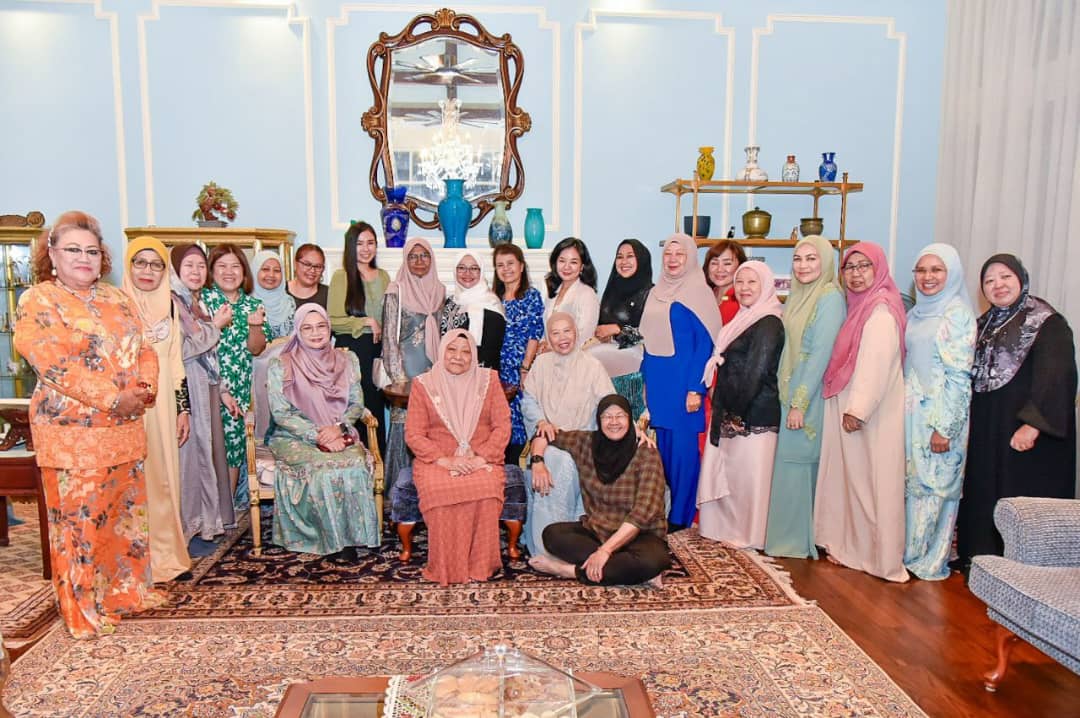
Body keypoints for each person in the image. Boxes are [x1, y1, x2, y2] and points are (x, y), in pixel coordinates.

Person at [14, 210, 164, 638]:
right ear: (52, 254)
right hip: (72, 434)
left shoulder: (118, 298)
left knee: (123, 517)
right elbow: (53, 363)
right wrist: (114, 398)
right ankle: (83, 608)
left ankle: (124, 593)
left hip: (125, 429)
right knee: (78, 524)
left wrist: (143, 389)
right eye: (73, 250)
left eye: (92, 251)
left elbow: (145, 349)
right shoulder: (38, 300)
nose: (84, 258)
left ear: (103, 258)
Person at [957, 254, 1077, 565]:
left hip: (1027, 433)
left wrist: (1032, 424)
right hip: (990, 426)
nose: (998, 285)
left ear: (1021, 279)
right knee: (986, 490)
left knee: (1020, 497)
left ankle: (1023, 567)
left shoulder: (1046, 322)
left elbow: (1057, 375)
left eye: (1005, 277)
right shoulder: (984, 325)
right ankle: (983, 560)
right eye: (989, 280)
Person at [814, 242, 909, 582]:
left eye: (864, 266)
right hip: (853, 407)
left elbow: (875, 365)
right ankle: (855, 550)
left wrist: (858, 409)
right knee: (854, 483)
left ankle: (879, 558)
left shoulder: (880, 311)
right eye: (850, 267)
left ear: (879, 269)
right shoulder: (859, 308)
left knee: (872, 486)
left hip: (870, 414)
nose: (856, 274)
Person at [266, 304, 381, 556]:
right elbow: (281, 413)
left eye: (321, 326)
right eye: (307, 328)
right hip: (294, 437)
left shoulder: (347, 360)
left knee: (354, 463)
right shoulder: (281, 365)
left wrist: (338, 429)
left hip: (340, 432)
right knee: (322, 468)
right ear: (298, 331)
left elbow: (356, 404)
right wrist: (318, 435)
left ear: (329, 328)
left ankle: (353, 536)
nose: (316, 333)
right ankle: (329, 539)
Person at [404, 329, 512, 584]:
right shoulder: (423, 385)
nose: (458, 357)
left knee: (486, 487)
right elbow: (414, 434)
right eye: (451, 350)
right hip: (437, 460)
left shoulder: (489, 380)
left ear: (474, 356)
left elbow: (502, 426)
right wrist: (446, 460)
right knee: (440, 489)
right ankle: (447, 567)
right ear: (442, 352)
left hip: (481, 457)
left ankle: (480, 566)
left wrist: (481, 457)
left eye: (466, 352)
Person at [528, 395, 670, 586]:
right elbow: (544, 435)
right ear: (599, 420)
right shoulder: (586, 442)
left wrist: (605, 551)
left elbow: (642, 514)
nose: (614, 422)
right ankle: (623, 569)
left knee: (652, 561)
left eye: (620, 416)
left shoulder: (647, 452)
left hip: (640, 535)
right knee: (552, 535)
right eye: (607, 416)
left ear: (629, 419)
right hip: (599, 531)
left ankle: (571, 571)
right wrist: (537, 462)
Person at [764, 235, 845, 559]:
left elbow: (819, 355)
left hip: (807, 400)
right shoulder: (798, 296)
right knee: (789, 467)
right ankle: (786, 540)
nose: (803, 266)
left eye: (812, 259)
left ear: (826, 262)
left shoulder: (830, 297)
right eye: (798, 259)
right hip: (791, 394)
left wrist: (799, 403)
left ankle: (796, 542)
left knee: (798, 466)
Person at [697, 261, 785, 549]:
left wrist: (735, 411)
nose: (745, 288)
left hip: (754, 413)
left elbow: (757, 372)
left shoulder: (769, 321)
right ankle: (729, 530)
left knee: (749, 480)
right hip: (732, 408)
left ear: (766, 285)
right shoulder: (744, 317)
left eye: (752, 282)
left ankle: (749, 535)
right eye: (741, 282)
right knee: (733, 477)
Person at [902, 243, 976, 580]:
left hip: (939, 416)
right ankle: (911, 555)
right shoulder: (918, 312)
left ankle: (929, 561)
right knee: (915, 487)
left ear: (952, 273)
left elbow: (959, 377)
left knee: (936, 490)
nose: (927, 277)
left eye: (936, 270)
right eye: (921, 270)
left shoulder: (956, 314)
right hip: (913, 415)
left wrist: (944, 428)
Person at [639, 234, 722, 530]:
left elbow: (705, 345)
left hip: (684, 384)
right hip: (658, 380)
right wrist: (645, 382)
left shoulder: (698, 292)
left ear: (691, 258)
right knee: (664, 453)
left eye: (680, 254)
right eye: (668, 254)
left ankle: (680, 518)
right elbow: (648, 340)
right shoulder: (656, 291)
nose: (672, 259)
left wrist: (696, 388)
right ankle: (668, 511)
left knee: (684, 456)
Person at [122, 237, 192, 582]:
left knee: (165, 480)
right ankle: (132, 561)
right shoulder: (116, 307)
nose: (147, 271)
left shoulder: (171, 307)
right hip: (126, 405)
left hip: (162, 406)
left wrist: (183, 410)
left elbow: (176, 362)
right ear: (129, 266)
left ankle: (167, 557)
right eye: (140, 262)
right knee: (132, 481)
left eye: (156, 264)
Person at [521, 313, 615, 557]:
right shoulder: (541, 364)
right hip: (546, 440)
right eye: (555, 333)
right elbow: (528, 401)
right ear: (548, 337)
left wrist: (632, 430)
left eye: (567, 331)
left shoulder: (592, 366)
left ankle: (570, 544)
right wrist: (541, 421)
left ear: (576, 332)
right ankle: (545, 545)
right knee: (556, 460)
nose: (562, 338)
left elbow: (610, 405)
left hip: (582, 441)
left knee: (569, 462)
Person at [169, 243, 236, 550]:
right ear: (176, 270)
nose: (196, 272)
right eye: (189, 266)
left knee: (205, 458)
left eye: (200, 266)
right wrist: (215, 327)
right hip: (186, 391)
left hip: (205, 388)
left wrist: (222, 391)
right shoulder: (171, 303)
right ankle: (186, 530)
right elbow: (179, 351)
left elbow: (209, 355)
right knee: (190, 461)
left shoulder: (194, 303)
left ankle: (204, 526)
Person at [202, 245, 270, 497]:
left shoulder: (254, 304)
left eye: (235, 266)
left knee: (232, 447)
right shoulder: (202, 301)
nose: (229, 272)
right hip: (206, 383)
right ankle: (204, 507)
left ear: (244, 272)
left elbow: (256, 349)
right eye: (222, 266)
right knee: (204, 445)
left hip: (239, 388)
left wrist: (254, 326)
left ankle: (227, 505)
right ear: (211, 271)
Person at [382, 237, 446, 498]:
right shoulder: (395, 290)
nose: (419, 261)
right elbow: (389, 337)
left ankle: (431, 490)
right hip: (405, 369)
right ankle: (400, 493)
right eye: (413, 256)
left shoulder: (440, 291)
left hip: (434, 369)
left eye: (424, 255)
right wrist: (398, 379)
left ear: (432, 259)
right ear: (405, 260)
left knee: (431, 427)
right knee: (406, 425)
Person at [328, 220, 390, 453]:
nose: (366, 249)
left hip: (377, 351)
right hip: (351, 352)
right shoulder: (341, 276)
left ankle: (377, 464)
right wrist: (365, 321)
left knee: (375, 411)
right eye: (360, 243)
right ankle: (352, 461)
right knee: (352, 408)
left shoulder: (383, 276)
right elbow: (332, 321)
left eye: (370, 243)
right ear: (351, 246)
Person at [589, 239, 653, 419]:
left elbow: (651, 336)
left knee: (628, 420)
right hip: (606, 369)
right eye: (619, 257)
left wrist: (617, 329)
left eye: (630, 256)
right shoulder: (612, 289)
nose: (624, 261)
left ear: (641, 259)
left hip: (633, 374)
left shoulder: (651, 294)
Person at [493, 243, 544, 465]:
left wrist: (525, 368)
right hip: (497, 371)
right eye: (500, 265)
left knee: (521, 422)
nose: (506, 269)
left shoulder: (531, 296)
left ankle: (519, 471)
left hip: (520, 370)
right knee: (499, 422)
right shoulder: (493, 298)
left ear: (521, 266)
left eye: (510, 263)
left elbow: (534, 333)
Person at [439, 250, 506, 370]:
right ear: (455, 271)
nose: (467, 273)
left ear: (481, 272)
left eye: (474, 268)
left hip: (480, 374)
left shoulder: (491, 305)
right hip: (448, 371)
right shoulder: (451, 302)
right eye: (461, 268)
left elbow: (490, 354)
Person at [541, 237, 600, 351]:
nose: (566, 267)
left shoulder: (587, 294)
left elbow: (584, 336)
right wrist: (543, 343)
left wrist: (554, 349)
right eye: (562, 261)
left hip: (575, 357)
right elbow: (546, 329)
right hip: (550, 356)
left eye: (573, 262)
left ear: (582, 266)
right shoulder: (553, 292)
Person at [251, 250, 296, 339]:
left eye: (277, 270)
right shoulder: (244, 303)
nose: (271, 275)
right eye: (265, 269)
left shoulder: (289, 302)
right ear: (255, 271)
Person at [703, 240, 747, 324]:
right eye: (714, 263)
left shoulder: (742, 299)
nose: (720, 269)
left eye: (727, 264)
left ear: (740, 266)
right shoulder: (708, 293)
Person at [286, 243, 329, 309]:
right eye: (307, 264)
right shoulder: (280, 291)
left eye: (318, 266)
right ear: (295, 264)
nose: (312, 270)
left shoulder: (330, 294)